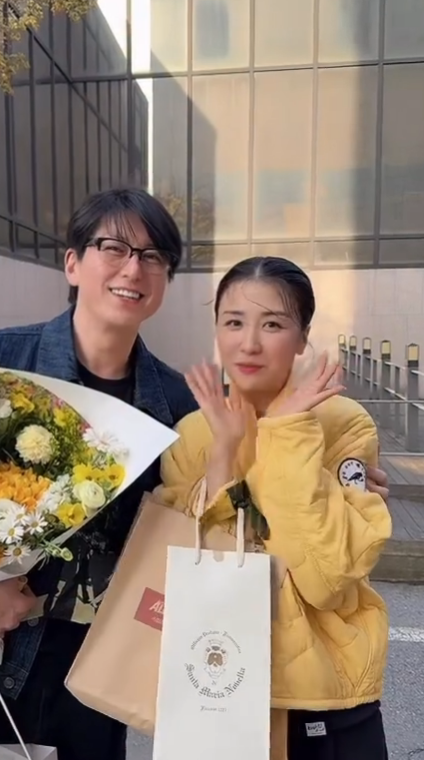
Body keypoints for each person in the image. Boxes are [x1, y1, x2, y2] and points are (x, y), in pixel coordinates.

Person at [0, 193, 389, 759]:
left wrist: (338, 480)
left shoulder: (177, 407)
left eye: (152, 256)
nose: (133, 268)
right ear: (72, 262)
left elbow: (199, 541)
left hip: (95, 683)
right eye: (114, 247)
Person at [158, 256, 392, 760]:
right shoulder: (192, 435)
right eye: (234, 322)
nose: (249, 343)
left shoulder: (344, 424)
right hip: (214, 686)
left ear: (303, 337)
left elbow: (326, 578)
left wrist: (286, 430)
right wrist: (223, 453)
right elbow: (182, 566)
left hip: (323, 699)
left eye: (272, 324)